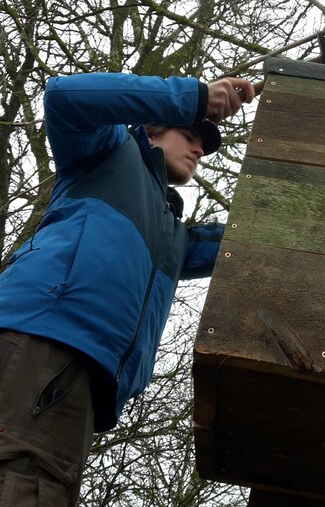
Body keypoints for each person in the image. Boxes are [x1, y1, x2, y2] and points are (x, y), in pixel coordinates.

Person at [0, 70, 255, 506]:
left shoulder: (171, 233)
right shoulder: (108, 150)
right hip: (40, 341)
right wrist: (193, 97)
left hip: (88, 380)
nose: (199, 148)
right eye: (189, 133)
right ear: (153, 127)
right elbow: (64, 95)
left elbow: (242, 246)